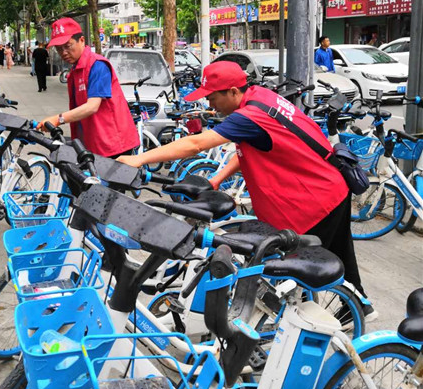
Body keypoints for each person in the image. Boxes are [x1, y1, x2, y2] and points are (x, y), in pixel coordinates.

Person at [117, 61, 375, 317]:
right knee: (339, 256)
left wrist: (139, 159)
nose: (210, 105)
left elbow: (196, 144)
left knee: (296, 270)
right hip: (329, 186)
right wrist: (218, 178)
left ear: (232, 91)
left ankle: (295, 325)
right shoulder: (260, 97)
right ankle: (358, 307)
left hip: (316, 198)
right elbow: (252, 147)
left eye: (212, 97)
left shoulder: (250, 116)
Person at [39, 18, 139, 158]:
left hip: (114, 145)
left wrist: (58, 119)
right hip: (93, 142)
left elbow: (92, 106)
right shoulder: (75, 70)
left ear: (82, 40)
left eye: (67, 46)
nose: (63, 53)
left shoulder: (97, 65)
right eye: (59, 49)